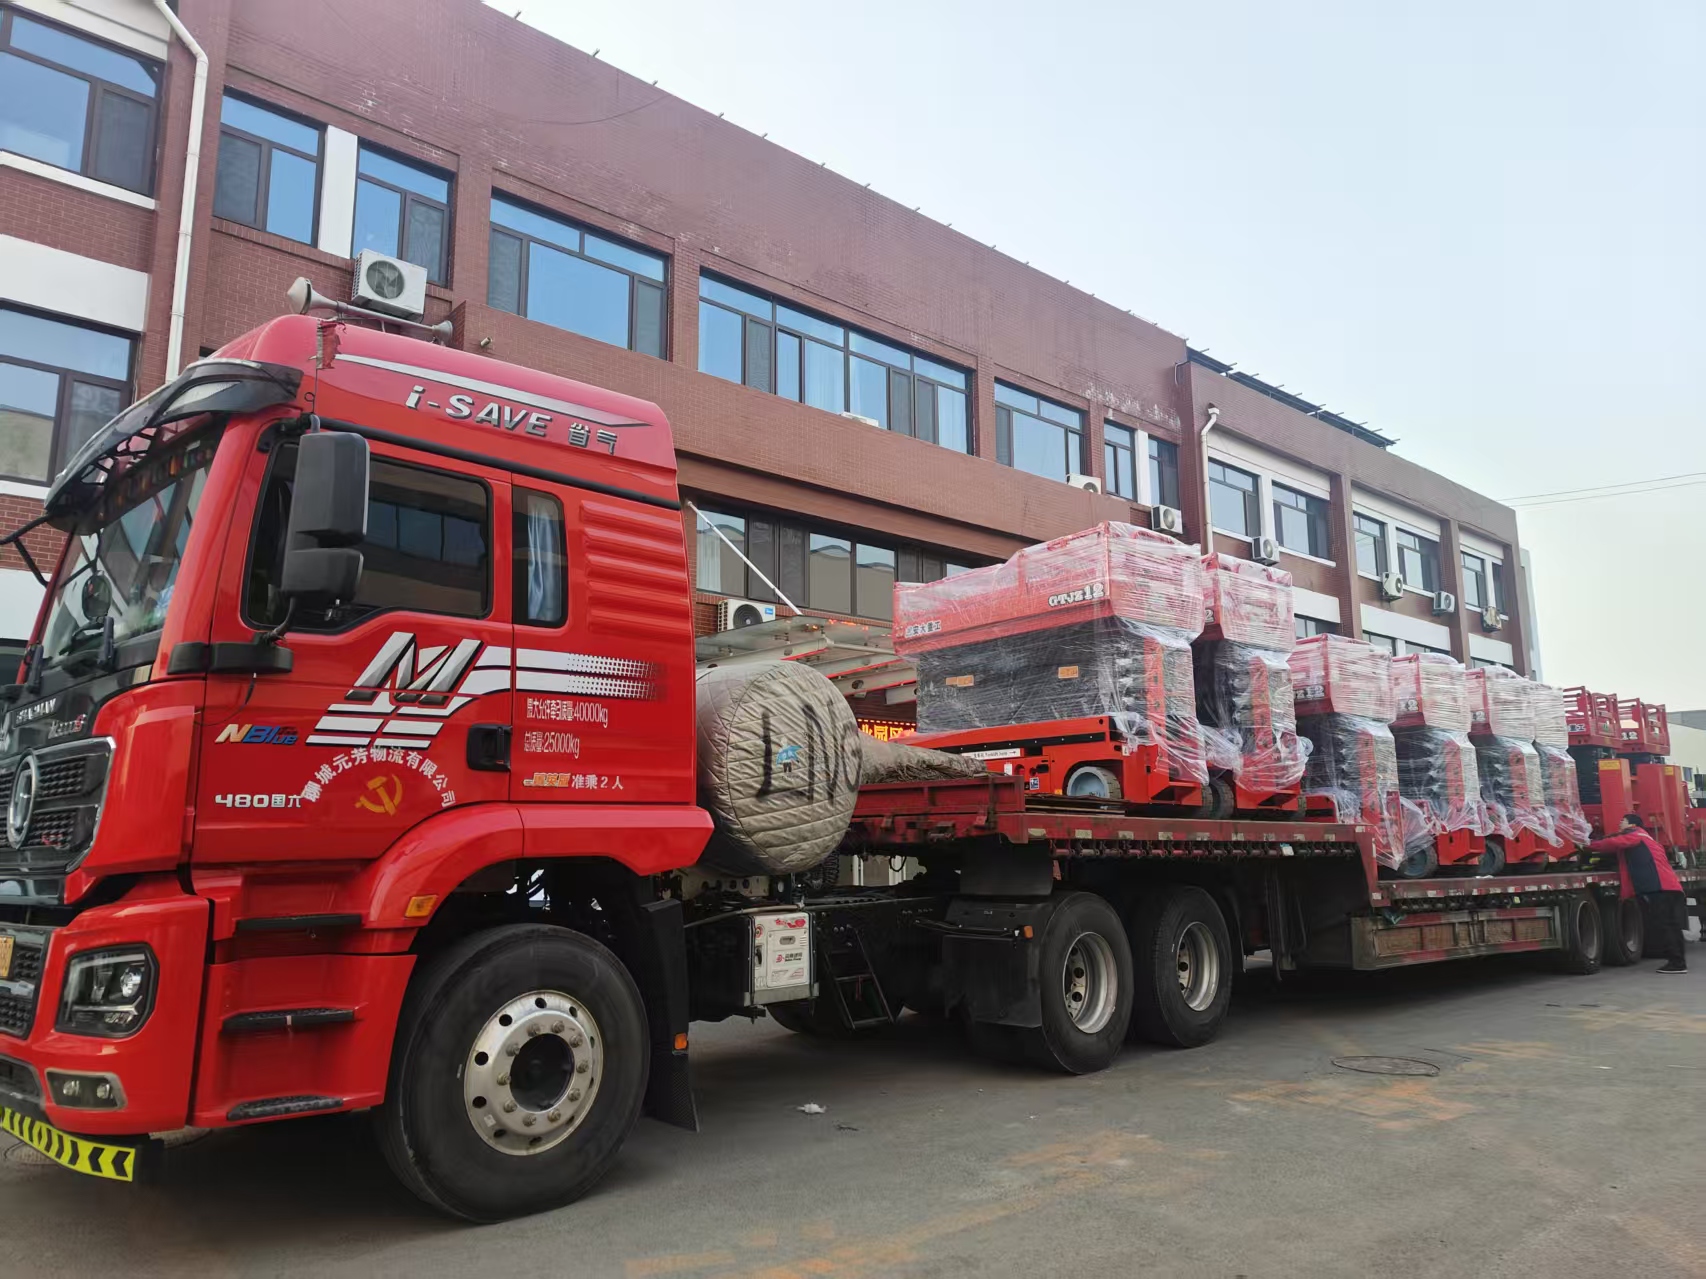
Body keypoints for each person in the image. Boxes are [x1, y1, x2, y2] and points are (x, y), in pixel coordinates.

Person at [1585, 814, 1687, 973]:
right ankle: (1678, 961)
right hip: (1669, 887)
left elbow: (1613, 843)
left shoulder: (1635, 835)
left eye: (1623, 821)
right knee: (1671, 925)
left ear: (1632, 824)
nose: (1620, 823)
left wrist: (1587, 844)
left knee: (1666, 925)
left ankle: (1677, 963)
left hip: (1660, 888)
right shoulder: (1647, 838)